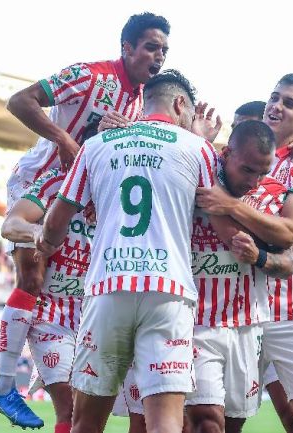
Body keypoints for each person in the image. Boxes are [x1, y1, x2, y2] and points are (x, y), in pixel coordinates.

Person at [0, 12, 171, 428]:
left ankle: (49, 363)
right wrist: (67, 141)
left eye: (163, 50)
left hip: (85, 191)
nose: (158, 56)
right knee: (33, 271)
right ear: (126, 47)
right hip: (43, 180)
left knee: (66, 280)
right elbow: (20, 101)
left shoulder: (143, 102)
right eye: (150, 47)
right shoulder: (90, 76)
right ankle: (3, 386)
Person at [35, 69, 219, 433]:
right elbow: (219, 213)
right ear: (180, 104)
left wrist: (48, 243)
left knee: (85, 421)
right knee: (164, 422)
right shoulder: (198, 148)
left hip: (107, 289)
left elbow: (57, 221)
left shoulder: (96, 145)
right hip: (168, 292)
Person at [196, 73, 293, 433]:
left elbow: (289, 231)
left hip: (291, 308)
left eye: (289, 103)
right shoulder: (238, 157)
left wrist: (229, 205)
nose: (276, 106)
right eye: (274, 98)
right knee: (223, 420)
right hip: (235, 311)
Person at [185, 120, 293, 433]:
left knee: (233, 425)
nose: (254, 181)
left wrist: (260, 256)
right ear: (226, 154)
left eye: (263, 171)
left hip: (247, 326)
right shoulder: (191, 179)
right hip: (196, 323)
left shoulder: (273, 197)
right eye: (248, 169)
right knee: (207, 422)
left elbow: (289, 262)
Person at [0, 124, 99, 433]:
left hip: (90, 309)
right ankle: (2, 387)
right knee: (70, 407)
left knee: (87, 413)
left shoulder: (117, 193)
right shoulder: (55, 183)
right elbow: (11, 224)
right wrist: (36, 231)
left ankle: (3, 389)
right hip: (51, 313)